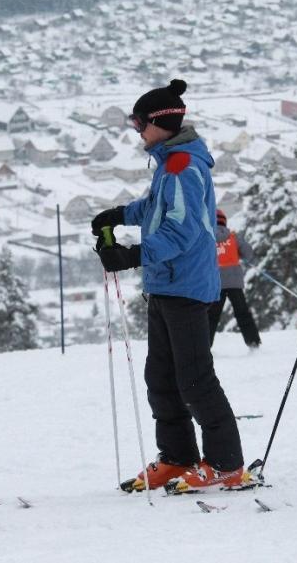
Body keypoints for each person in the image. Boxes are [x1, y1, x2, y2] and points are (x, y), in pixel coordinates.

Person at [91, 79, 249, 493]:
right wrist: (120, 214)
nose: (137, 131)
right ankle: (178, 456)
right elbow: (155, 208)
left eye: (139, 123)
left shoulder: (182, 167)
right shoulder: (169, 162)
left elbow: (182, 233)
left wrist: (130, 255)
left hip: (187, 286)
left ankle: (226, 463)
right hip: (165, 285)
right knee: (160, 377)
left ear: (162, 123)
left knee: (195, 378)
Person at [207, 210, 262, 349]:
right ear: (224, 221)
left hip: (215, 283)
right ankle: (253, 343)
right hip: (234, 283)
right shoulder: (233, 237)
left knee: (211, 316)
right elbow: (248, 254)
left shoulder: (207, 238)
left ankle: (205, 346)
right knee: (242, 313)